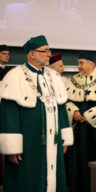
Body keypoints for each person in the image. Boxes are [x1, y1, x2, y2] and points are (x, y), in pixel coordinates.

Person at [0, 35, 73, 192]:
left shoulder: (53, 76)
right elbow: (9, 114)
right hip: (28, 143)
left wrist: (65, 138)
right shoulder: (15, 76)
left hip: (53, 141)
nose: (49, 55)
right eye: (44, 51)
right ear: (31, 54)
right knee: (29, 180)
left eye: (49, 50)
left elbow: (61, 109)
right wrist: (12, 147)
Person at [65, 53, 96, 192]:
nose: (78, 66)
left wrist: (91, 115)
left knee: (95, 159)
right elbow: (67, 101)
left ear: (91, 64)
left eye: (81, 63)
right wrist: (74, 111)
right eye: (78, 63)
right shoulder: (73, 80)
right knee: (77, 161)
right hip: (78, 129)